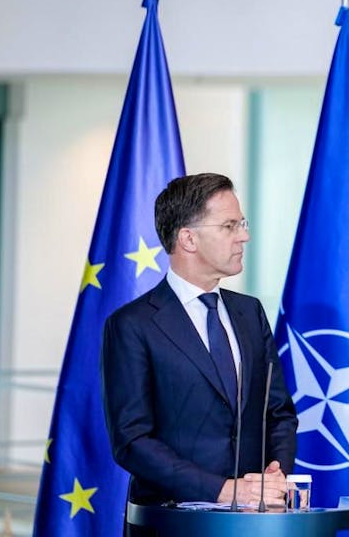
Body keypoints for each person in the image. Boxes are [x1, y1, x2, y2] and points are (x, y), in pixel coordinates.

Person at [101, 173, 298, 526]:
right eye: (229, 226)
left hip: (253, 521)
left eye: (242, 224)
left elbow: (279, 412)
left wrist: (273, 476)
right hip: (172, 521)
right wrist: (223, 489)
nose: (244, 236)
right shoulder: (132, 325)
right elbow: (131, 440)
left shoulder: (250, 312)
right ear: (188, 239)